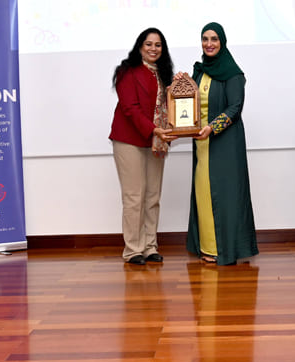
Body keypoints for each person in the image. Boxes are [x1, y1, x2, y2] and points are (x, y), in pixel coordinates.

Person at [185, 22, 258, 265]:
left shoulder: (233, 73)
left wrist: (212, 128)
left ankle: (227, 250)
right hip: (202, 145)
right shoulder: (199, 72)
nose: (209, 44)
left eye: (214, 39)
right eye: (205, 39)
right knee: (204, 194)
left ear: (222, 42)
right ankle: (208, 246)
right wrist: (180, 84)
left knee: (226, 196)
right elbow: (187, 103)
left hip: (225, 143)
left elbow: (235, 107)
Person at [109, 28, 176, 265]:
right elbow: (130, 108)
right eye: (148, 44)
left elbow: (173, 107)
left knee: (152, 196)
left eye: (158, 45)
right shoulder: (127, 71)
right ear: (140, 46)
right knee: (134, 197)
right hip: (129, 140)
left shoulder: (165, 75)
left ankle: (149, 247)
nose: (153, 49)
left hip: (156, 141)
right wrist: (154, 129)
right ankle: (133, 250)